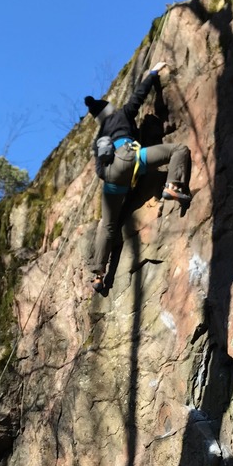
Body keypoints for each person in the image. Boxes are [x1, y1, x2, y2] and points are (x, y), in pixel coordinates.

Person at [85, 61, 192, 294]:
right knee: (179, 150)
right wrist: (153, 73)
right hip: (132, 159)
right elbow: (139, 96)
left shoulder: (100, 138)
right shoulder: (122, 113)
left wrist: (114, 177)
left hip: (112, 179)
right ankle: (173, 185)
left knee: (108, 225)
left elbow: (99, 171)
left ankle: (98, 274)